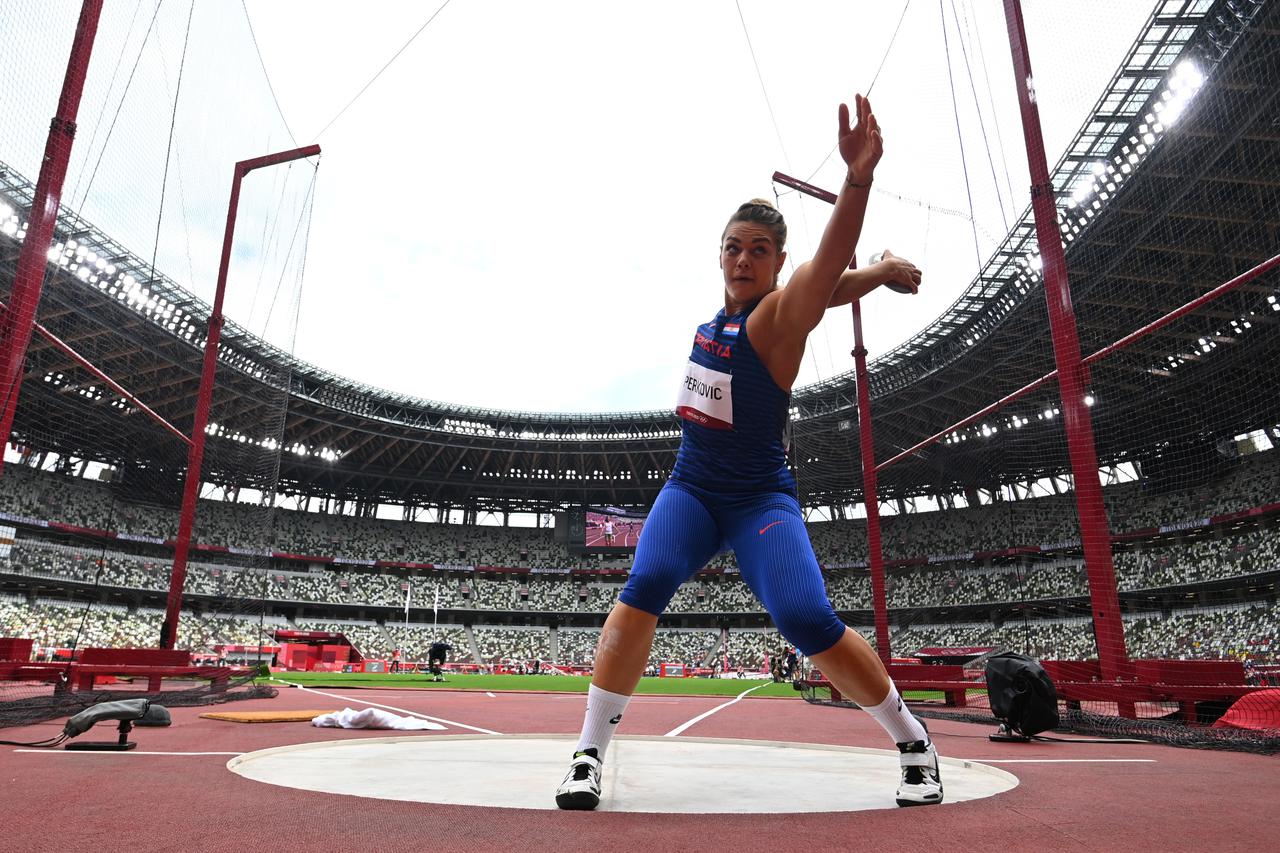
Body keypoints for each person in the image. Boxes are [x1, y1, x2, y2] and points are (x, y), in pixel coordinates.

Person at [555, 94, 940, 811]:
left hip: (760, 497)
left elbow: (820, 277)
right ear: (719, 254)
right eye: (732, 246)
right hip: (691, 488)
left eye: (758, 250)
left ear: (777, 263)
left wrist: (857, 181)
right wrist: (882, 271)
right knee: (644, 584)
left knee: (805, 617)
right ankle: (587, 753)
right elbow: (826, 290)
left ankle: (913, 739)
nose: (741, 258)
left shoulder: (775, 320)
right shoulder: (717, 320)